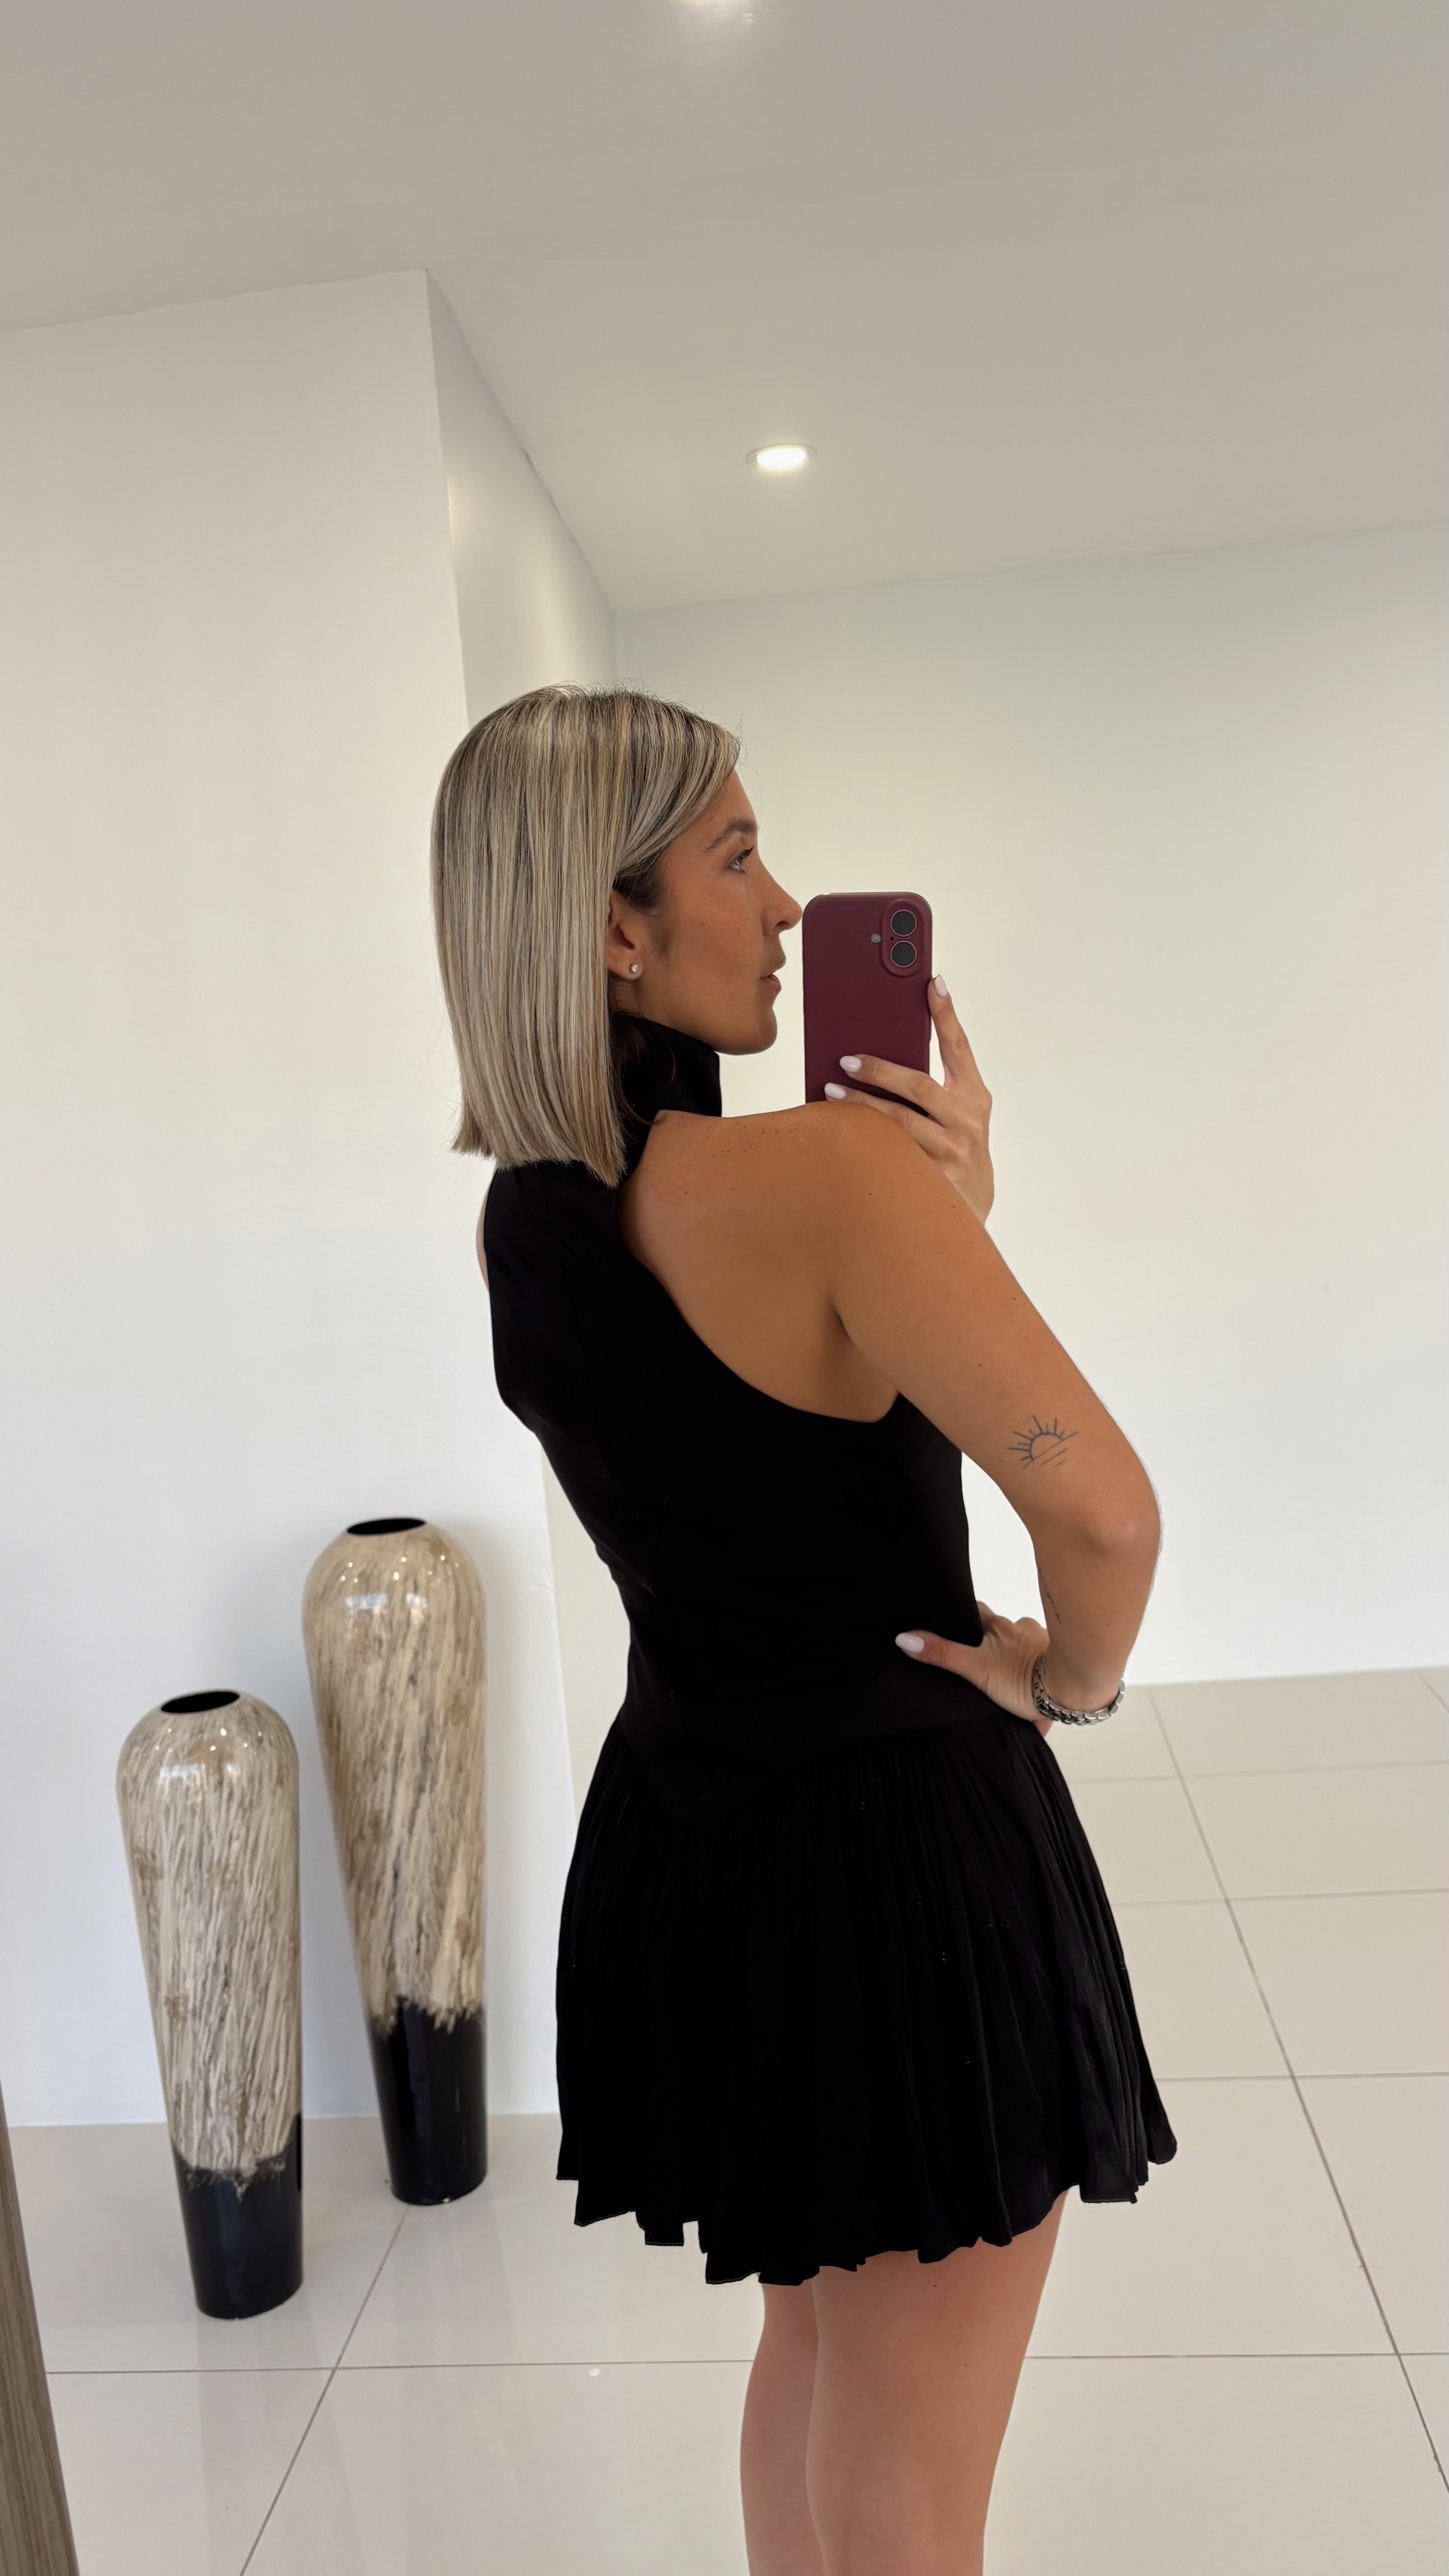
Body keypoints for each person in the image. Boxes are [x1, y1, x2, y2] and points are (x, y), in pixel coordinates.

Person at [430, 683, 1176, 2576]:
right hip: (904, 1869)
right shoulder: (835, 1179)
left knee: (817, 2353)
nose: (782, 911)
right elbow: (1103, 1514)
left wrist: (937, 1226)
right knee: (915, 2469)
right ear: (615, 930)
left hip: (699, 1849)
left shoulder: (524, 1226)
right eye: (740, 860)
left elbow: (754, 1453)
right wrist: (1067, 1678)